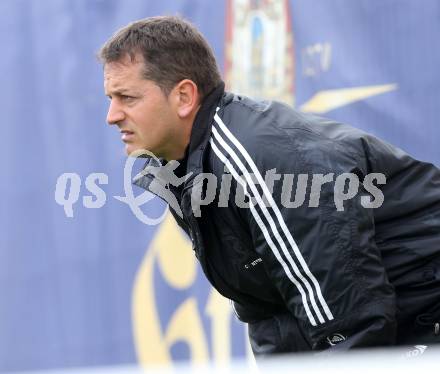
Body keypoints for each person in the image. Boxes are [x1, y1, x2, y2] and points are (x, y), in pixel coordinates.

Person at [99, 16, 440, 356]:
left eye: (127, 97)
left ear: (184, 96)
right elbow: (268, 312)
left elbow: (351, 329)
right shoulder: (188, 167)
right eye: (111, 98)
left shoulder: (262, 163)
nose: (112, 115)